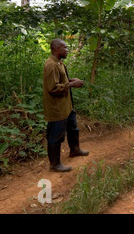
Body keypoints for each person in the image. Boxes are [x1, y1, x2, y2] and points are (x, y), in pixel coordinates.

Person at [43, 39, 89, 172]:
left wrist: (69, 81)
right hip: (57, 108)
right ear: (57, 49)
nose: (67, 50)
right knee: (55, 135)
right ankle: (55, 164)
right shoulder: (51, 64)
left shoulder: (59, 63)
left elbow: (59, 81)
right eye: (65, 47)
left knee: (73, 128)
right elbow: (52, 88)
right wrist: (71, 85)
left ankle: (75, 150)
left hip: (66, 105)